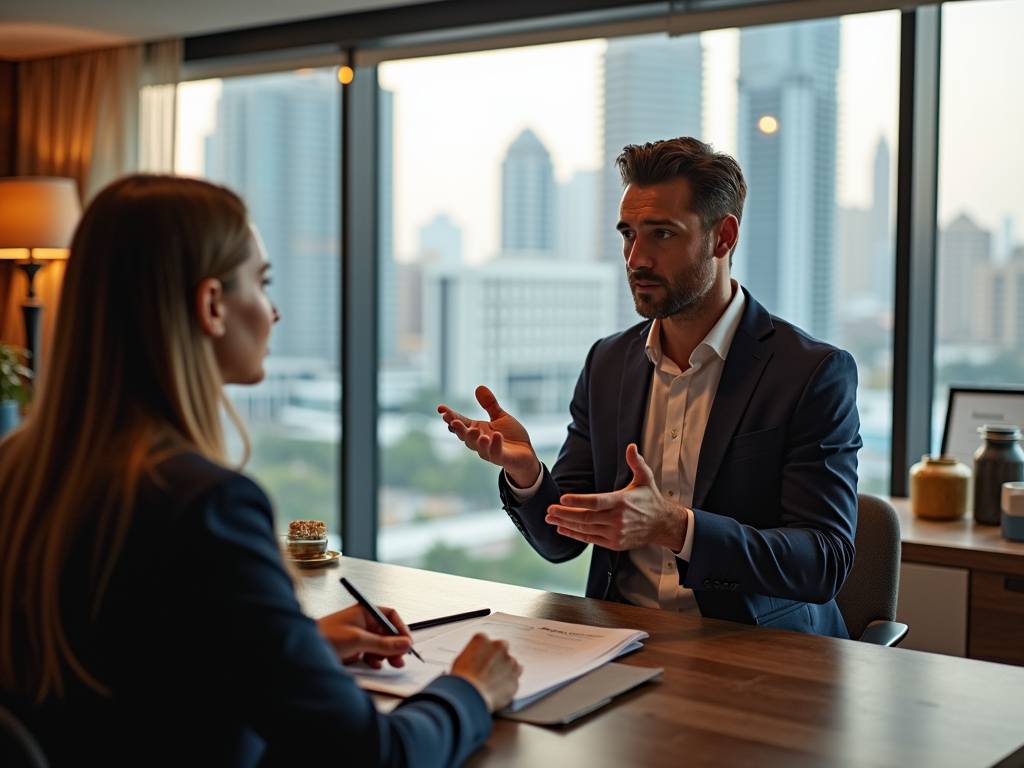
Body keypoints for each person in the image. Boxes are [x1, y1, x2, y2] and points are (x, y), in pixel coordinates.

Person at [0, 175, 520, 767]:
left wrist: (296, 650)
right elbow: (375, 756)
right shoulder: (207, 506)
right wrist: (470, 689)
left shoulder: (18, 471)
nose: (273, 310)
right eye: (262, 281)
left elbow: (126, 664)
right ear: (212, 305)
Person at [439, 138, 861, 639]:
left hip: (755, 649)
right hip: (621, 640)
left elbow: (824, 561)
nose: (636, 258)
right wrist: (528, 473)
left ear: (723, 237)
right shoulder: (608, 362)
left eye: (662, 234)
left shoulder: (811, 373)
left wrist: (675, 528)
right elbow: (562, 543)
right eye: (627, 234)